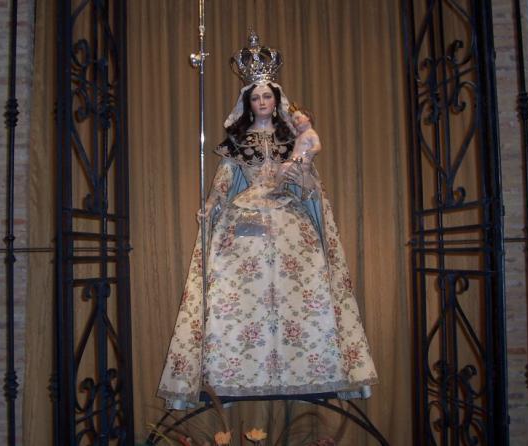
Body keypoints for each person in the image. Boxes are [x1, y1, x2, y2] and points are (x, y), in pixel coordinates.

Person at [157, 32, 377, 410]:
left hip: (289, 220)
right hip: (245, 220)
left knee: (301, 296)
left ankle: (306, 373)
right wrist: (210, 205)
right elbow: (224, 180)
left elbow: (310, 188)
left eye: (267, 96)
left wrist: (299, 173)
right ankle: (234, 374)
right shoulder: (237, 142)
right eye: (255, 97)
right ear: (248, 102)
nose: (262, 102)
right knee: (237, 297)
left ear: (276, 100)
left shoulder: (295, 140)